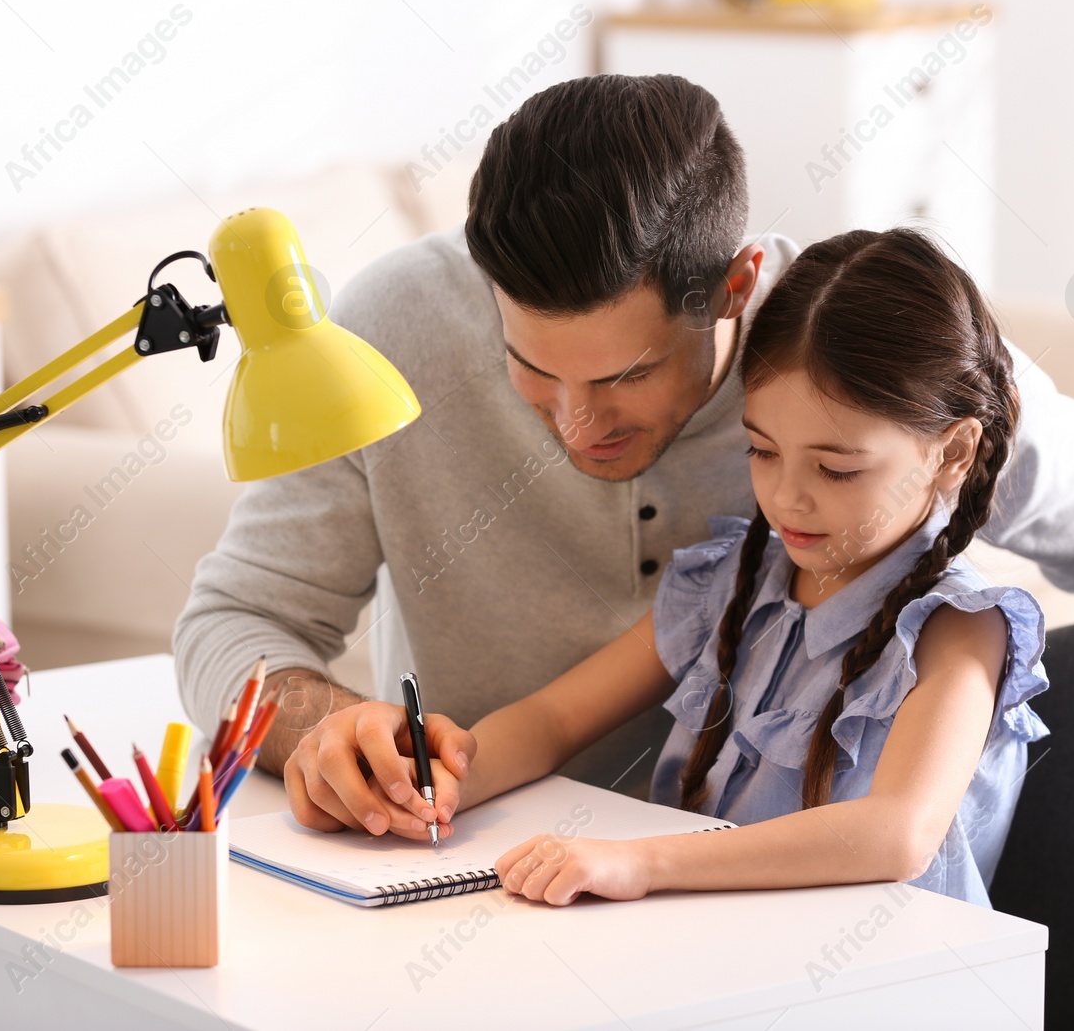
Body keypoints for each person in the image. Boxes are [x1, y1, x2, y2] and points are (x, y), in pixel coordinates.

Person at [173, 74, 1074, 889]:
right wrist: (320, 727)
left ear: (736, 283)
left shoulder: (859, 369)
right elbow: (239, 617)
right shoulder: (389, 331)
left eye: (624, 375)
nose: (576, 421)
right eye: (527, 366)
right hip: (494, 889)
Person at [441, 226, 1043, 906]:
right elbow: (553, 718)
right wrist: (444, 777)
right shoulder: (734, 579)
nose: (787, 496)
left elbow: (897, 833)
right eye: (761, 450)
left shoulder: (958, 630)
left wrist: (643, 863)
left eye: (836, 468)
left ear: (954, 452)